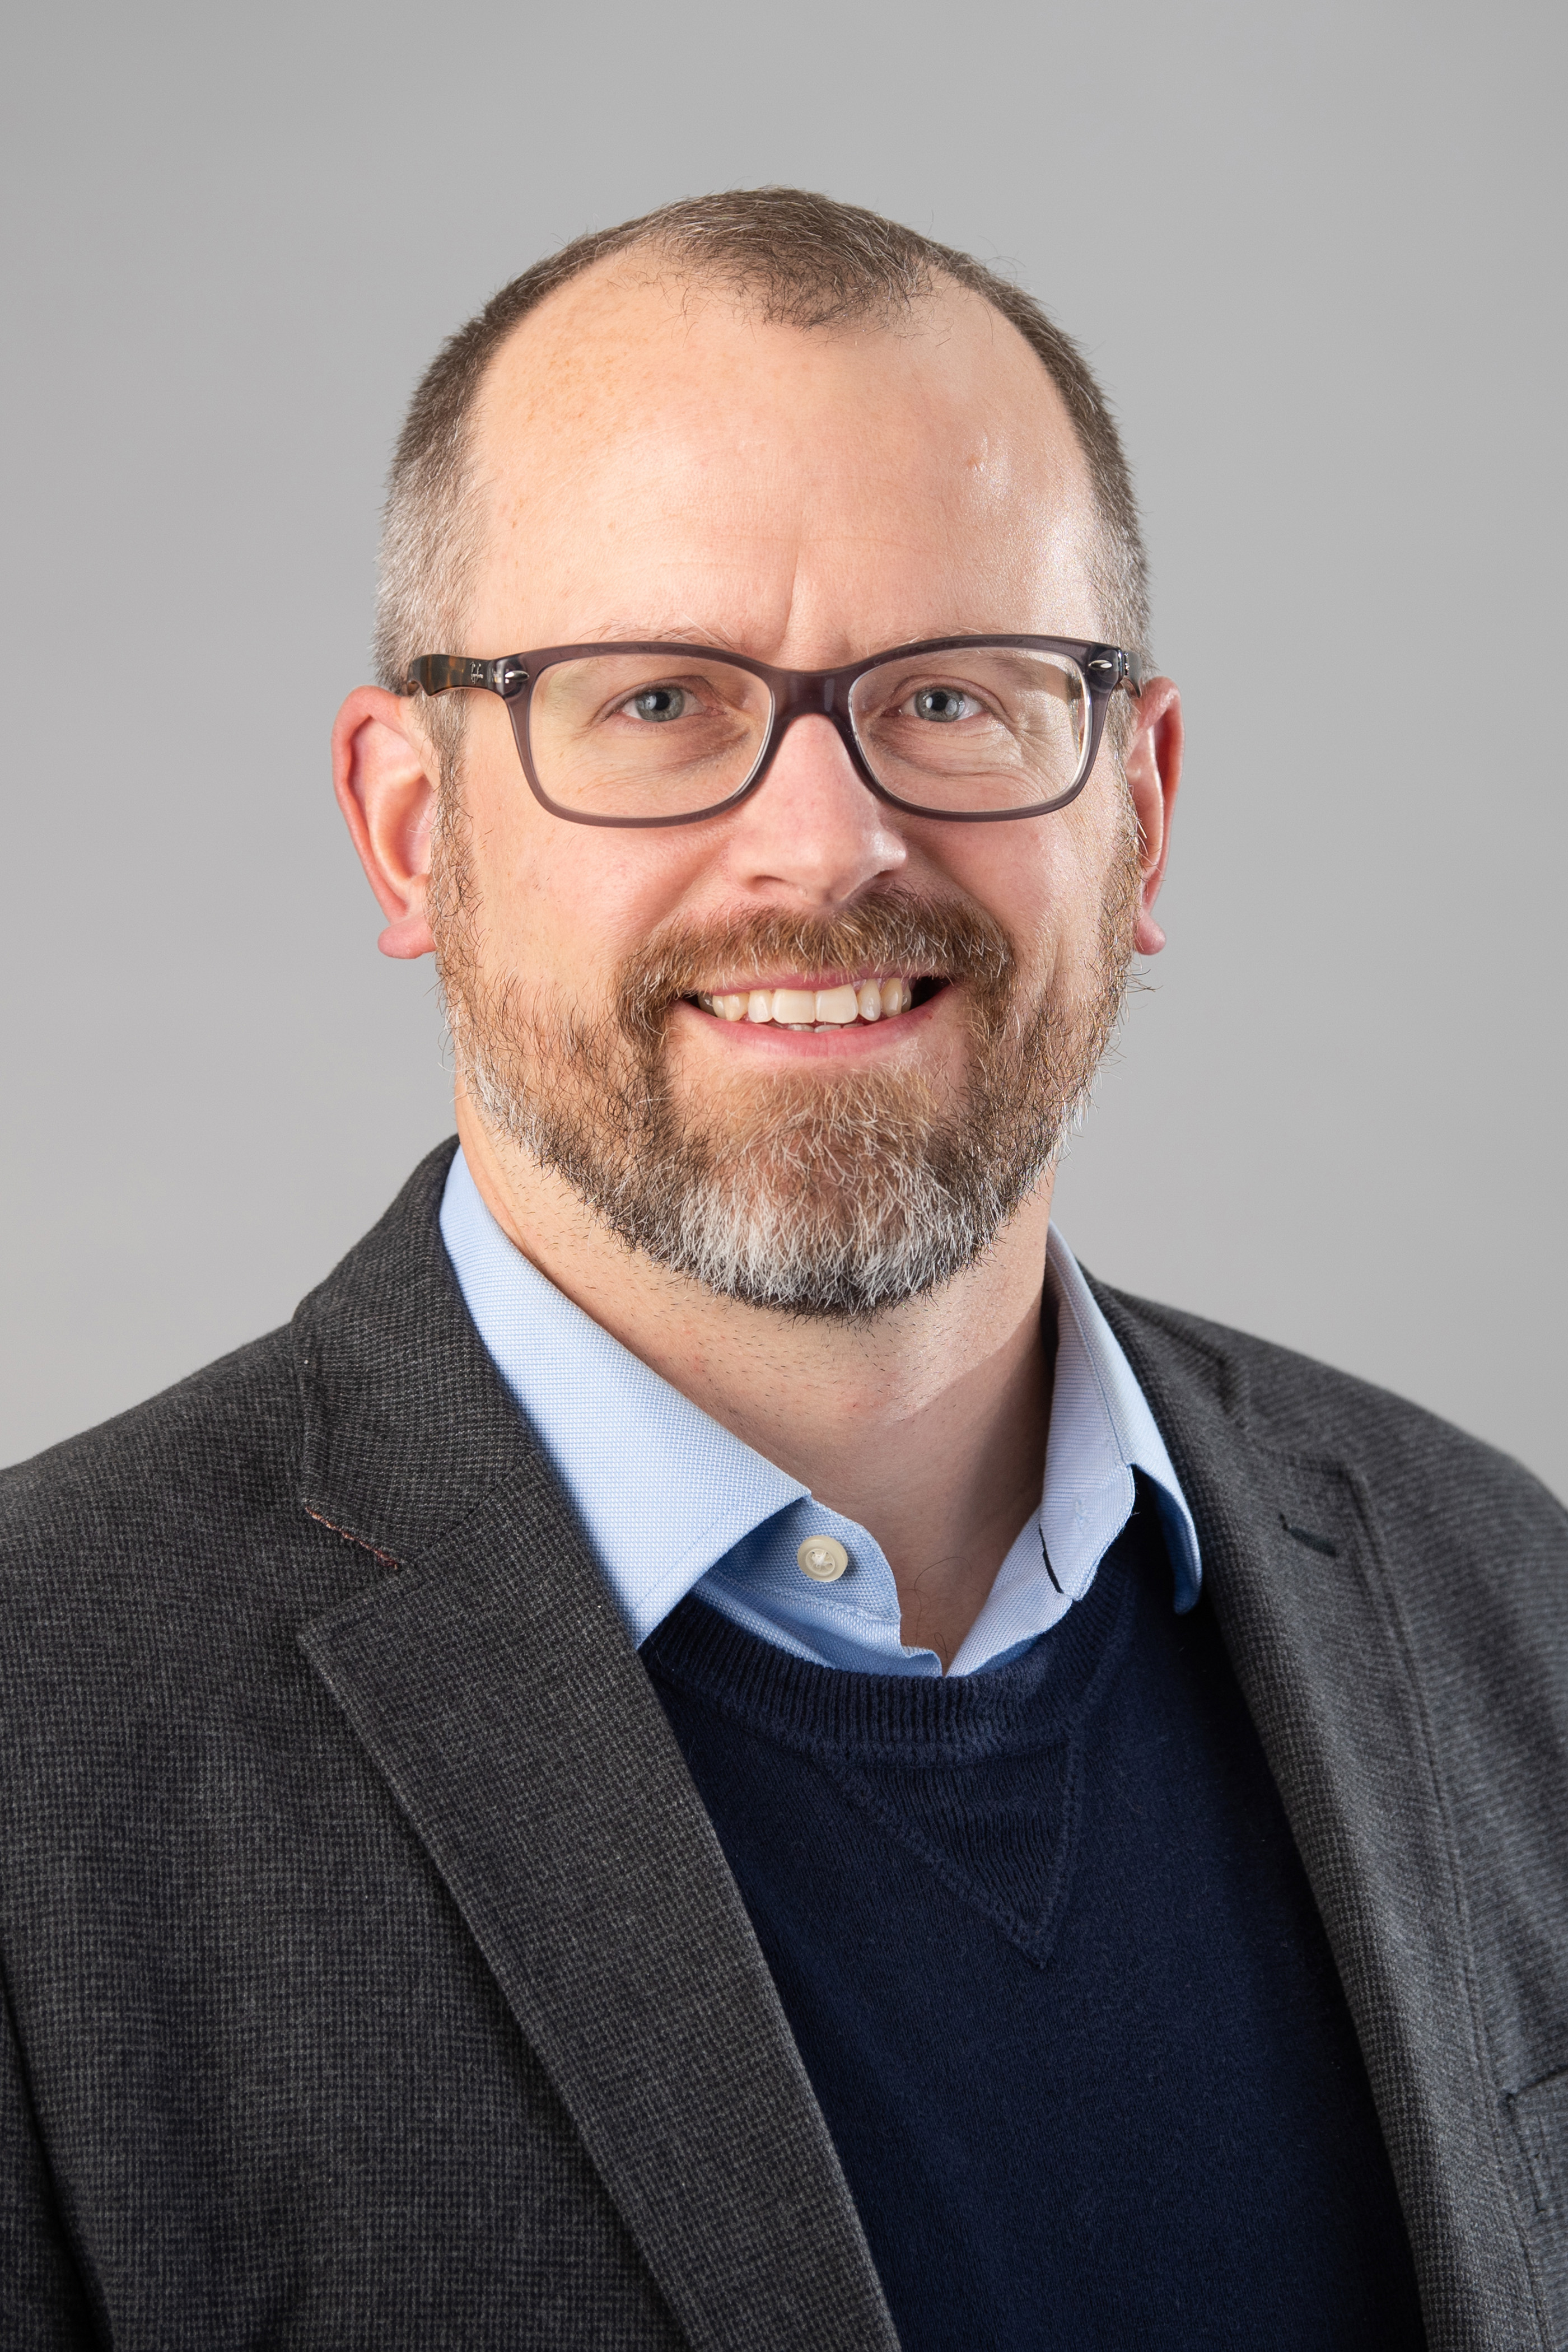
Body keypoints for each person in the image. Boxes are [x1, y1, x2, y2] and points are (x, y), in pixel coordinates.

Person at [1, 188, 1562, 2352]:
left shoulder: (1506, 1603)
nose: (829, 844)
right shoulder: (36, 1744)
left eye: (955, 692)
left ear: (1146, 810)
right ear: (408, 830)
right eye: (654, 699)